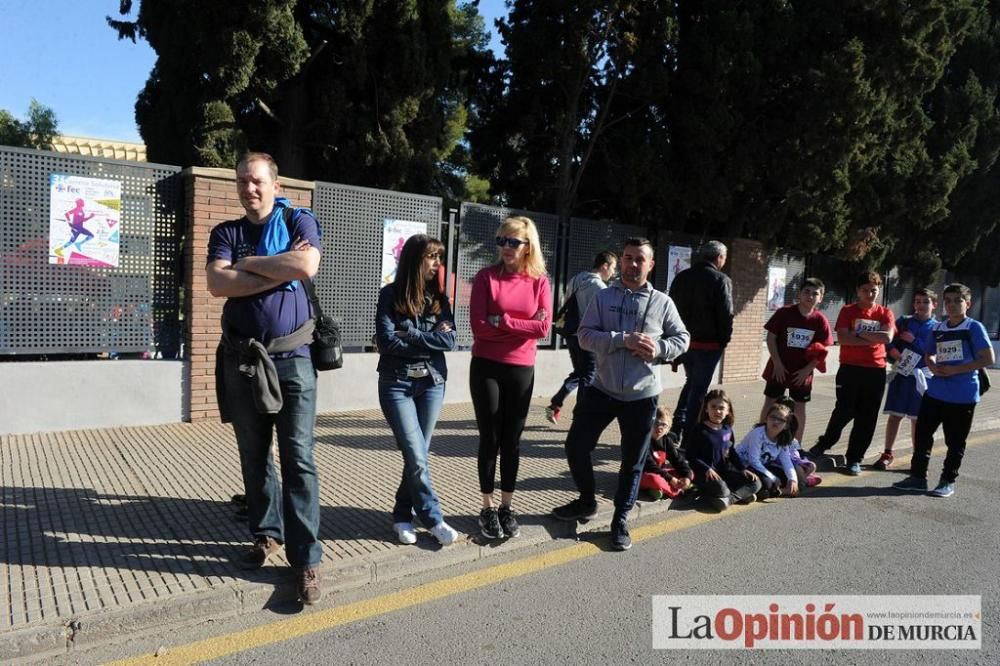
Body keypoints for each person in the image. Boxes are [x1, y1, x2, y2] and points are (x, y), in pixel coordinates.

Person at [207, 152, 324, 605]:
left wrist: (248, 266)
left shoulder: (299, 219)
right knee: (254, 457)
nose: (248, 189)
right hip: (243, 361)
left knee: (299, 459)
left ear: (275, 185)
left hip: (293, 361)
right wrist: (273, 269)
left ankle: (307, 560)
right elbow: (218, 284)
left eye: (256, 181)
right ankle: (266, 534)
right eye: (241, 182)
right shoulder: (225, 232)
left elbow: (305, 266)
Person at [551, 237, 689, 551]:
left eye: (640, 259)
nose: (632, 264)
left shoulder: (662, 302)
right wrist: (621, 339)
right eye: (627, 258)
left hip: (642, 396)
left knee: (632, 461)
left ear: (651, 265)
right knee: (576, 446)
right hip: (602, 388)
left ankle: (620, 520)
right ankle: (587, 501)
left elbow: (683, 338)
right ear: (621, 261)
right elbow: (584, 336)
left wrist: (660, 349)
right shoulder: (603, 297)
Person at [469, 216, 552, 540]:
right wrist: (521, 325)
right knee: (490, 438)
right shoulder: (486, 277)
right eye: (501, 240)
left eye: (512, 242)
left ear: (527, 245)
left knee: (511, 441)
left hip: (521, 369)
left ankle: (507, 506)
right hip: (486, 366)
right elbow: (479, 327)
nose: (505, 247)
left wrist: (502, 321)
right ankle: (487, 506)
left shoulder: (539, 282)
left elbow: (543, 328)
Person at [374, 234, 460, 547]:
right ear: (415, 260)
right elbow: (385, 342)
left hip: (432, 383)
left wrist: (410, 333)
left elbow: (450, 341)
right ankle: (433, 517)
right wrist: (428, 338)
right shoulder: (390, 295)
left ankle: (401, 515)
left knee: (417, 456)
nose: (438, 264)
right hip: (396, 384)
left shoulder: (439, 298)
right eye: (432, 257)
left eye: (439, 257)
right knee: (416, 455)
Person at [893, 284, 995, 497]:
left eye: (957, 300)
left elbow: (988, 358)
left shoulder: (973, 327)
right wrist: (932, 366)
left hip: (962, 395)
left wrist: (955, 369)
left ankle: (947, 480)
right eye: (947, 300)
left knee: (955, 441)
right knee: (922, 435)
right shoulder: (938, 329)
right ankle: (918, 477)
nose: (951, 304)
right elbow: (928, 353)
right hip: (935, 392)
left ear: (968, 304)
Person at [807, 271, 895, 476]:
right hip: (850, 369)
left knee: (867, 417)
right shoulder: (848, 311)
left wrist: (859, 333)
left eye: (874, 290)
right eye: (865, 290)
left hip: (876, 371)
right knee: (844, 410)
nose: (870, 294)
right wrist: (873, 337)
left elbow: (887, 337)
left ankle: (854, 458)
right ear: (858, 291)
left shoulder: (885, 313)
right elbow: (844, 339)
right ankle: (824, 443)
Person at [668, 241, 734, 439]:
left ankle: (677, 425)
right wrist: (724, 341)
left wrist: (672, 340)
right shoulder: (721, 279)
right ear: (719, 258)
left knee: (692, 383)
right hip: (708, 345)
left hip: (684, 342)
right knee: (698, 390)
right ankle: (689, 436)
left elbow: (671, 311)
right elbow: (726, 314)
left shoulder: (682, 277)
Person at [545, 250, 618, 425]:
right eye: (613, 268)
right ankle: (581, 415)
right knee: (588, 375)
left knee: (580, 372)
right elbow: (602, 316)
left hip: (570, 335)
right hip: (588, 338)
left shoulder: (576, 279)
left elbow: (565, 302)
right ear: (605, 266)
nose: (614, 273)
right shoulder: (600, 288)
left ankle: (556, 404)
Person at [758, 278, 833, 441]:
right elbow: (771, 338)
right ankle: (760, 439)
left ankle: (795, 445)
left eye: (815, 293)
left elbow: (823, 349)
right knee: (771, 401)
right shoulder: (784, 313)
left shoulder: (820, 320)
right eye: (807, 291)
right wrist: (777, 363)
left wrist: (807, 370)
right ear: (799, 293)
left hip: (802, 372)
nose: (810, 296)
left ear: (820, 298)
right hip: (779, 369)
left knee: (799, 406)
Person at [873, 288, 938, 470]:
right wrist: (892, 350)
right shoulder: (904, 321)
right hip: (902, 373)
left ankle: (917, 457)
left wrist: (914, 340)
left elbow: (935, 351)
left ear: (934, 305)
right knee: (895, 415)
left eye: (925, 301)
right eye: (917, 301)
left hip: (923, 377)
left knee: (918, 419)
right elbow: (888, 337)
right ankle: (887, 453)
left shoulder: (937, 327)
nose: (921, 305)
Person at [686, 390, 761, 512]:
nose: (717, 411)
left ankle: (729, 499)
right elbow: (690, 455)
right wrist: (706, 469)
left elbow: (731, 453)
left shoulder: (727, 430)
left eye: (721, 408)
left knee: (756, 483)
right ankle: (738, 495)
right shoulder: (699, 430)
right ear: (706, 409)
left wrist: (742, 469)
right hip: (705, 476)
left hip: (724, 473)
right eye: (713, 407)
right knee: (722, 489)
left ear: (728, 411)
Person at [735, 402, 800, 500]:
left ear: (786, 425)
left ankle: (774, 492)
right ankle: (776, 491)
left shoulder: (782, 440)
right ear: (766, 419)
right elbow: (754, 461)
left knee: (787, 477)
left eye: (781, 420)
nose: (776, 421)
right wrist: (773, 477)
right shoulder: (758, 434)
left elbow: (786, 462)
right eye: (773, 417)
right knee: (767, 482)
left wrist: (793, 480)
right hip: (745, 466)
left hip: (761, 467)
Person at [640, 406, 693, 500]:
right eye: (656, 423)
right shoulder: (643, 441)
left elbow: (677, 460)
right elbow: (650, 466)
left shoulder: (667, 440)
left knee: (690, 472)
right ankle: (678, 491)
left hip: (661, 473)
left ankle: (659, 489)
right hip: (643, 474)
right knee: (654, 479)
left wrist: (687, 477)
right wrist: (671, 479)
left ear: (668, 429)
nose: (659, 427)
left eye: (664, 425)